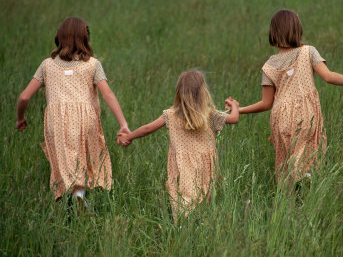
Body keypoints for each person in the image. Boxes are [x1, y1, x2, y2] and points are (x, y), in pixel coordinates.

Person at [234, 9, 343, 184]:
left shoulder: (269, 65)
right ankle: (305, 178)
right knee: (307, 152)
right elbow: (328, 76)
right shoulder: (308, 52)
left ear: (273, 32)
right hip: (306, 114)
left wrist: (239, 109)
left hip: (280, 117)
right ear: (297, 29)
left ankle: (289, 195)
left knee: (286, 159)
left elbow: (266, 103)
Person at [16, 17, 130, 204]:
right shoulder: (93, 64)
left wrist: (20, 118)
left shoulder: (46, 65)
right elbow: (108, 95)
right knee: (83, 157)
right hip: (87, 119)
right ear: (86, 38)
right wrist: (123, 124)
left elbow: (24, 97)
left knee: (66, 158)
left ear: (59, 37)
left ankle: (76, 196)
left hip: (57, 120)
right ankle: (79, 196)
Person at [118, 70, 239, 222]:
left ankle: (182, 224)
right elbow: (234, 118)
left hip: (181, 164)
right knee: (204, 194)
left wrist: (128, 137)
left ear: (179, 92)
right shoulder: (210, 114)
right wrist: (234, 105)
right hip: (206, 164)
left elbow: (147, 129)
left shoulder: (170, 114)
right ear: (203, 93)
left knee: (182, 195)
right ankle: (200, 224)